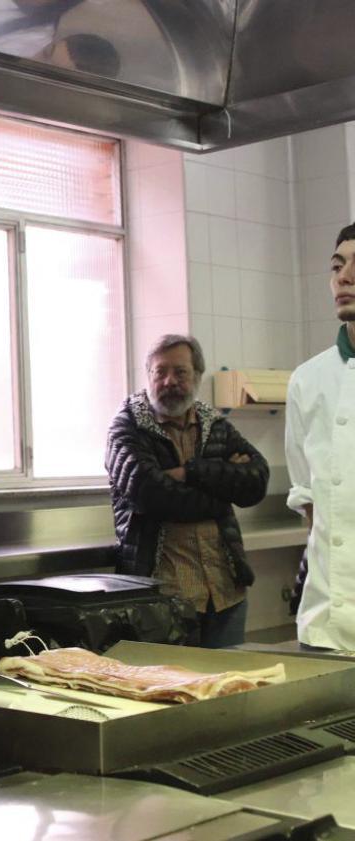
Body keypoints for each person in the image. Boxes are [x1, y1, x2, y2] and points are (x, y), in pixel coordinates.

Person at [106, 334, 269, 648]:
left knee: (230, 690)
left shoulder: (214, 424)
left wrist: (189, 472)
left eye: (180, 372)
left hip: (225, 593)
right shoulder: (126, 427)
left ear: (197, 376)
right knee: (175, 693)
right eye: (160, 372)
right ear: (148, 376)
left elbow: (256, 481)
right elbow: (153, 495)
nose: (170, 381)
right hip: (163, 598)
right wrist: (223, 491)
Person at [286, 222, 355, 650]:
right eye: (337, 266)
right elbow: (307, 495)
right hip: (324, 627)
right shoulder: (307, 380)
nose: (344, 277)